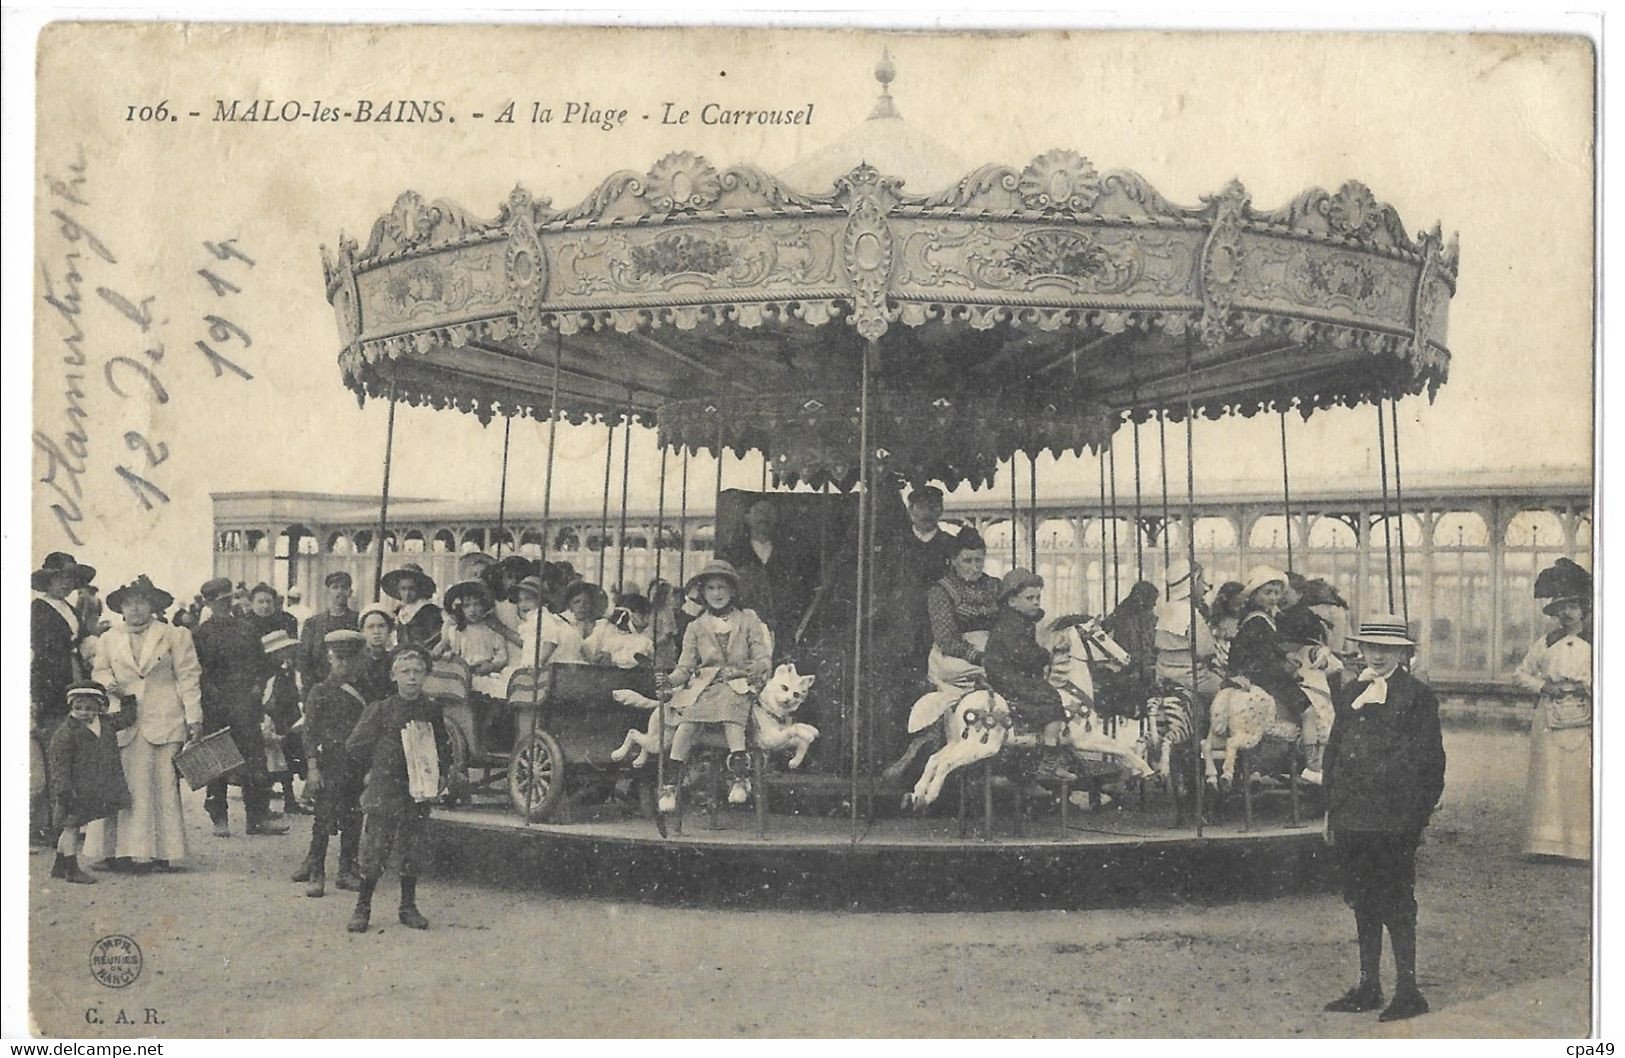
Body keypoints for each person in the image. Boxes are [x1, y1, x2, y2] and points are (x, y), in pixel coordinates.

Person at [1323, 613, 1445, 1023]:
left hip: (1393, 819)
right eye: (1369, 646)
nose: (1375, 654)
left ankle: (1409, 991)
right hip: (1353, 814)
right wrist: (1331, 808)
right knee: (1362, 900)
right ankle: (1368, 984)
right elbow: (1334, 752)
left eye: (1385, 648)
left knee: (1396, 901)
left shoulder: (1417, 698)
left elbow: (1432, 765)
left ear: (1401, 653)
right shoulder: (1351, 692)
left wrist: (1416, 818)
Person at [82, 575, 205, 871]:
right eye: (129, 603)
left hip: (164, 717)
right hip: (122, 718)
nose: (135, 609)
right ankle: (115, 852)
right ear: (121, 608)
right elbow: (99, 671)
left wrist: (194, 718)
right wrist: (111, 685)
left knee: (160, 785)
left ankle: (160, 853)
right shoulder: (109, 638)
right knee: (122, 783)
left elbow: (188, 676)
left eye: (141, 602)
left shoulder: (175, 635)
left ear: (153, 606)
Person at [344, 643, 452, 933]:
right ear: (394, 676)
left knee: (412, 848)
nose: (412, 678)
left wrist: (439, 773)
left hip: (417, 789)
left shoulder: (431, 709)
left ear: (426, 675)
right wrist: (374, 768)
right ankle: (362, 907)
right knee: (375, 849)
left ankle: (408, 906)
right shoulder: (380, 710)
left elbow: (442, 744)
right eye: (405, 671)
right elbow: (354, 745)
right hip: (385, 788)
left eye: (418, 671)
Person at [657, 561, 772, 812]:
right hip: (706, 687)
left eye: (722, 587)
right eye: (711, 588)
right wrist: (669, 681)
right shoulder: (695, 627)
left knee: (732, 715)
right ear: (703, 592)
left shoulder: (748, 619)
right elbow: (685, 666)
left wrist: (759, 666)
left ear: (732, 591)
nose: (717, 593)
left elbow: (762, 655)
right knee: (688, 723)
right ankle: (669, 787)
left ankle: (739, 779)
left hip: (738, 683)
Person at [194, 576, 288, 838]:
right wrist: (211, 696)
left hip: (246, 704)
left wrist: (257, 686)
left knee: (255, 761)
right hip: (216, 707)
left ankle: (257, 817)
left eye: (228, 600)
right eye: (218, 602)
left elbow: (261, 663)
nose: (224, 605)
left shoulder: (247, 629)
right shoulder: (201, 633)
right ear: (209, 604)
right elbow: (198, 671)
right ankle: (219, 818)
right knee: (217, 763)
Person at [1514, 559, 1592, 862]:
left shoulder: (1597, 642)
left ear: (1584, 608)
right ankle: (1546, 844)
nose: (1566, 613)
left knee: (1580, 776)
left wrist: (1585, 685)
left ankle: (1582, 846)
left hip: (1585, 717)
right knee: (1549, 777)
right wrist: (1545, 687)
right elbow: (1520, 673)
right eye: (1560, 606)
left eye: (1572, 605)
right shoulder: (1546, 643)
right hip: (1550, 718)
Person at [293, 630, 370, 898]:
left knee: (353, 817)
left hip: (356, 764)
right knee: (323, 819)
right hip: (328, 764)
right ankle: (316, 872)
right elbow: (309, 733)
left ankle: (347, 869)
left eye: (349, 660)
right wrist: (312, 769)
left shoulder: (364, 690)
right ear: (329, 659)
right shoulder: (320, 691)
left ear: (358, 660)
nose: (343, 665)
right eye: (339, 659)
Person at [48, 682, 134, 885]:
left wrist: (126, 698)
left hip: (96, 789)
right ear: (71, 707)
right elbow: (60, 766)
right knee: (71, 828)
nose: (83, 713)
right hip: (74, 791)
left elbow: (128, 717)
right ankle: (71, 868)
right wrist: (64, 791)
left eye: (89, 708)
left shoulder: (106, 723)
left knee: (73, 826)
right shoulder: (66, 733)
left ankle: (59, 865)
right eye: (78, 708)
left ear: (100, 707)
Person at [720, 499, 819, 659]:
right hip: (744, 625)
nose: (764, 518)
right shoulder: (733, 552)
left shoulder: (789, 552)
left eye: (769, 513)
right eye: (758, 512)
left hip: (783, 625)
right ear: (747, 517)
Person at [1225, 565, 1310, 717]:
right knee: (1309, 712)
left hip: (1260, 672)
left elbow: (1266, 646)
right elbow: (1254, 653)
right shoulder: (1258, 621)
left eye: (1277, 593)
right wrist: (1284, 667)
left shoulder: (1260, 617)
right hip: (1266, 677)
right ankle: (1311, 741)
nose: (1273, 598)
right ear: (1254, 595)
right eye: (1267, 592)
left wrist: (1285, 655)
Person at [32, 551, 97, 732]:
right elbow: (41, 646)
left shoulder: (70, 609)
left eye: (70, 579)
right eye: (60, 578)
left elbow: (84, 638)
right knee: (56, 726)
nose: (66, 583)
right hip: (49, 676)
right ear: (48, 581)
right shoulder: (38, 608)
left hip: (73, 670)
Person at [1154, 561, 1223, 724]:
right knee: (1225, 690)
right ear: (1192, 583)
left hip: (1163, 672)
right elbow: (1204, 650)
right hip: (1189, 676)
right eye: (1201, 581)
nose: (1204, 587)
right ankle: (1214, 733)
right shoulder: (1192, 614)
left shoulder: (1166, 610)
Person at [259, 630, 307, 815]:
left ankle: (289, 799)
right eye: (282, 650)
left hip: (290, 718)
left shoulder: (288, 671)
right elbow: (268, 701)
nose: (286, 654)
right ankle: (266, 805)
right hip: (276, 720)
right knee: (275, 763)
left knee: (287, 762)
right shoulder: (269, 675)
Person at [442, 579, 513, 697]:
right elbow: (451, 652)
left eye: (477, 604)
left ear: (484, 606)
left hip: (486, 673)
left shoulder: (492, 630)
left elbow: (502, 656)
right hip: (462, 675)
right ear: (460, 609)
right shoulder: (457, 631)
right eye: (467, 606)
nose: (472, 610)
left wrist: (492, 666)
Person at [297, 572, 359, 692]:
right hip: (319, 685)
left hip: (351, 686)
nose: (339, 592)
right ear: (327, 592)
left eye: (344, 587)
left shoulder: (357, 620)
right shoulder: (313, 623)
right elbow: (304, 659)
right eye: (335, 587)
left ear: (350, 592)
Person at [382, 563, 442, 649]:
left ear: (419, 588)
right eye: (403, 589)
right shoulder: (397, 612)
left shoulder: (429, 611)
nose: (407, 594)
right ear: (398, 590)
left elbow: (435, 638)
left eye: (411, 589)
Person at [585, 594, 654, 668]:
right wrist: (594, 657)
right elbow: (588, 647)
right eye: (639, 614)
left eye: (645, 615)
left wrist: (613, 658)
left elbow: (634, 658)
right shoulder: (605, 627)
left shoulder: (644, 640)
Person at [356, 604, 398, 703]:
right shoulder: (356, 663)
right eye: (371, 627)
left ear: (389, 631)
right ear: (362, 631)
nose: (376, 631)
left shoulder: (395, 661)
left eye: (381, 626)